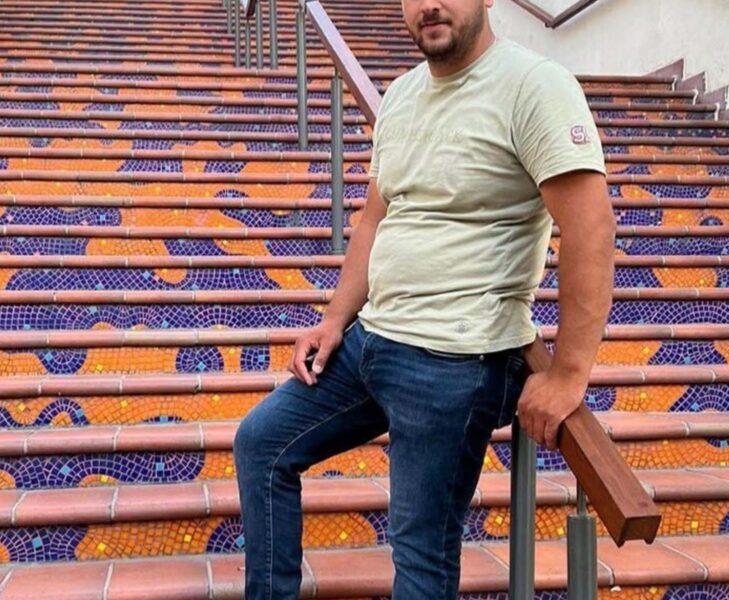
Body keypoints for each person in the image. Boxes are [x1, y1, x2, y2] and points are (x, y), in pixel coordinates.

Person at [233, 0, 616, 597]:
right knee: (262, 444)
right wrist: (335, 318)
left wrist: (568, 374)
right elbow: (375, 217)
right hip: (372, 340)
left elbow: (591, 230)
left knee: (419, 555)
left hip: (454, 359)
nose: (430, 5)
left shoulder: (534, 86)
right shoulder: (402, 94)